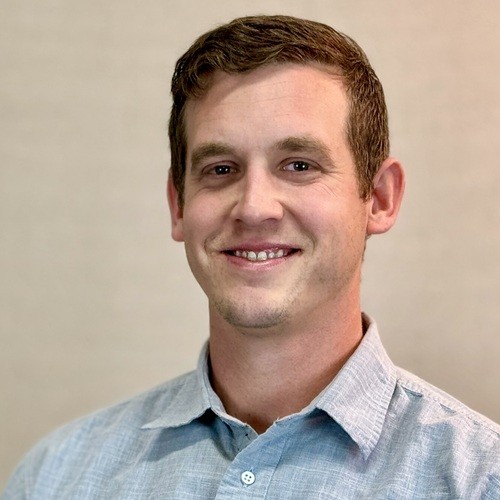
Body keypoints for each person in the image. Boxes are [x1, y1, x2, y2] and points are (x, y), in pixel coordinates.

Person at [3, 14, 499, 499]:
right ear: (178, 206)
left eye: (299, 165)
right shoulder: (55, 477)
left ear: (380, 198)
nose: (254, 207)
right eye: (221, 169)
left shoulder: (479, 480)